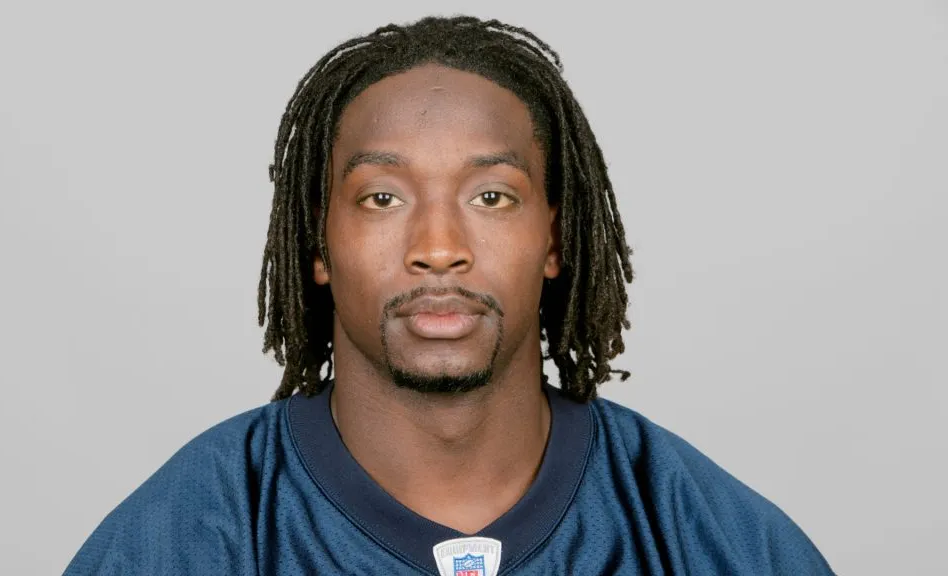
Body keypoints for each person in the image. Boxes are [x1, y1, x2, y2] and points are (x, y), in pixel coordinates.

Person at [65, 15, 834, 576]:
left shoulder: (707, 537)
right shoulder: (190, 535)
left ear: (557, 240)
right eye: (382, 198)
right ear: (317, 244)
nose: (438, 247)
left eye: (492, 196)